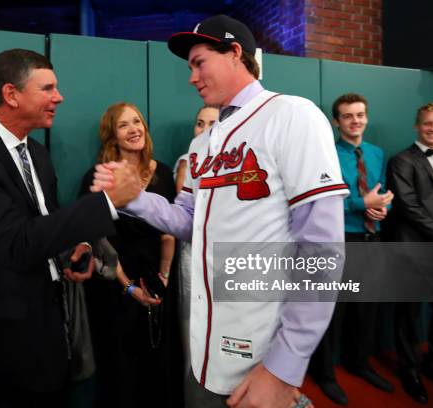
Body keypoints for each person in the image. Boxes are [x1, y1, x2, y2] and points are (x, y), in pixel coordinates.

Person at [91, 15, 349, 408]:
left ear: (234, 53)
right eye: (189, 66)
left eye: (199, 62)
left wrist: (286, 364)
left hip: (264, 345)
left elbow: (322, 250)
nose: (192, 76)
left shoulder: (291, 115)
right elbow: (186, 222)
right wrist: (134, 198)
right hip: (207, 340)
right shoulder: (203, 145)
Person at [0, 49, 139, 407]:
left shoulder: (39, 156)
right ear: (11, 94)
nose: (58, 97)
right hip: (9, 345)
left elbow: (45, 224)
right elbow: (15, 242)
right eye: (47, 88)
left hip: (55, 336)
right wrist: (106, 203)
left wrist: (77, 249)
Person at [78, 102, 183, 408]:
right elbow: (97, 240)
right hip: (116, 284)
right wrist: (129, 287)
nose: (134, 129)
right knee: (122, 369)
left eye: (137, 122)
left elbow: (172, 230)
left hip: (160, 279)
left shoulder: (162, 171)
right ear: (112, 135)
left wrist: (162, 279)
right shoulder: (100, 177)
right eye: (123, 125)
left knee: (161, 362)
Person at [309, 93, 394, 404]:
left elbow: (382, 190)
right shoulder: (326, 154)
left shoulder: (377, 153)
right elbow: (324, 200)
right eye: (348, 116)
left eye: (360, 114)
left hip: (374, 240)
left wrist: (382, 206)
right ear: (337, 121)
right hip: (340, 241)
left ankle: (360, 363)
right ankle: (325, 373)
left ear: (366, 117)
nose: (355, 120)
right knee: (333, 312)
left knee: (366, 308)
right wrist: (362, 203)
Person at [386, 102, 433, 404]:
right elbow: (408, 207)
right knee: (408, 313)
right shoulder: (401, 161)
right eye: (428, 123)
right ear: (418, 126)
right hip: (413, 250)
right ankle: (409, 369)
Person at [173, 105, 219, 379]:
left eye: (211, 123)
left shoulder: (236, 158)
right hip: (195, 253)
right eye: (199, 123)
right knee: (195, 327)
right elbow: (188, 214)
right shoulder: (187, 161)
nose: (203, 130)